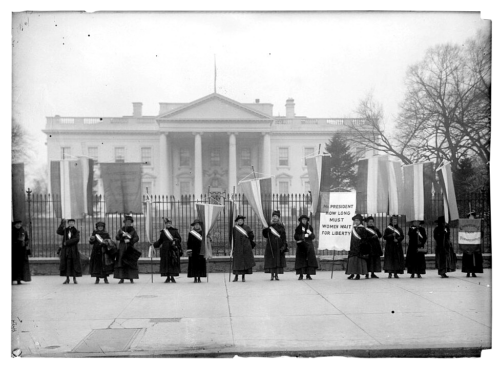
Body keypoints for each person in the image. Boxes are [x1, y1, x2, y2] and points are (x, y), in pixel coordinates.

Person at [153, 217, 183, 283]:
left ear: (171, 224)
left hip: (173, 249)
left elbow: (179, 239)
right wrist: (153, 244)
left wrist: (175, 240)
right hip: (165, 250)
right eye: (167, 223)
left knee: (172, 263)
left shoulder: (175, 231)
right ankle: (167, 277)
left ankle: (172, 277)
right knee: (166, 263)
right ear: (165, 224)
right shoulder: (163, 232)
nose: (168, 224)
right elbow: (160, 241)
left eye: (169, 223)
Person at [262, 210, 288, 281]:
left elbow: (283, 236)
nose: (275, 218)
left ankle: (276, 275)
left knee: (277, 260)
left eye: (276, 216)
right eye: (274, 216)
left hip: (278, 245)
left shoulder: (281, 226)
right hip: (270, 245)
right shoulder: (268, 225)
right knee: (271, 260)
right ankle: (271, 275)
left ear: (278, 218)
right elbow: (265, 235)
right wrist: (265, 230)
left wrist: (284, 245)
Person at [114, 215, 140, 284]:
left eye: (129, 222)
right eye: (127, 222)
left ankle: (131, 278)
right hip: (122, 248)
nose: (128, 223)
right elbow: (117, 237)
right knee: (121, 262)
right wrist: (122, 237)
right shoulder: (121, 230)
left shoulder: (133, 230)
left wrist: (130, 240)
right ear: (124, 222)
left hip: (130, 247)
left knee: (130, 262)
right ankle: (121, 278)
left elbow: (136, 238)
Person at [57, 218, 82, 284]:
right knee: (67, 264)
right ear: (68, 223)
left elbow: (76, 239)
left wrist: (67, 242)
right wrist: (62, 224)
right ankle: (67, 278)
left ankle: (74, 278)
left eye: (72, 222)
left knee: (73, 264)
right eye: (70, 222)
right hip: (66, 250)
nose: (71, 223)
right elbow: (58, 232)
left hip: (73, 250)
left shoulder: (76, 231)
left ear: (74, 223)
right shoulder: (65, 230)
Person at [232, 215, 256, 282]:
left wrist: (249, 237)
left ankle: (243, 277)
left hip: (245, 247)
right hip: (237, 248)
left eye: (241, 220)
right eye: (239, 220)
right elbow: (232, 238)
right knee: (237, 263)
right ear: (237, 221)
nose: (240, 221)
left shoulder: (247, 227)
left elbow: (251, 236)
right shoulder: (235, 228)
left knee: (244, 263)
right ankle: (236, 277)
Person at [293, 214, 318, 280]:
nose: (304, 221)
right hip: (301, 246)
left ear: (307, 220)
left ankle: (308, 274)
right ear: (301, 220)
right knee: (301, 261)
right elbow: (295, 236)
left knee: (309, 260)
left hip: (309, 245)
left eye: (305, 219)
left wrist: (310, 234)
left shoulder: (310, 227)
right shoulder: (298, 228)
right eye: (303, 219)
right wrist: (302, 236)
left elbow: (313, 237)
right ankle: (301, 275)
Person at [346, 214, 370, 280]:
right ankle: (352, 273)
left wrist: (360, 244)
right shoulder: (352, 228)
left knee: (358, 261)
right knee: (352, 261)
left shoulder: (363, 229)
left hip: (359, 247)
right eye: (355, 220)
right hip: (352, 247)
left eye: (358, 220)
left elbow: (365, 239)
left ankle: (358, 274)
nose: (356, 222)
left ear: (360, 221)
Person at [461, 211, 483, 278]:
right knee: (468, 259)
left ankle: (473, 272)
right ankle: (468, 272)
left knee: (475, 259)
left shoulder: (477, 225)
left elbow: (481, 233)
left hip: (475, 244)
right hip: (468, 244)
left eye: (473, 217)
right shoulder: (466, 226)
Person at [11, 219, 31, 285]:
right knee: (14, 265)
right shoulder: (11, 231)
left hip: (22, 251)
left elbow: (27, 239)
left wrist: (25, 243)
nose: (18, 225)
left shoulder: (24, 231)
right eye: (17, 224)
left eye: (19, 224)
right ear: (14, 225)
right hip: (14, 251)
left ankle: (19, 279)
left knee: (21, 266)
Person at [187, 218, 207, 283]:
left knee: (200, 264)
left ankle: (199, 277)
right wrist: (189, 251)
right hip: (193, 251)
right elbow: (189, 242)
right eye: (195, 225)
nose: (197, 226)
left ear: (199, 225)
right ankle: (195, 278)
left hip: (200, 250)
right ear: (194, 225)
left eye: (198, 224)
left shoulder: (203, 233)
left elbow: (205, 242)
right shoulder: (191, 233)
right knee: (194, 265)